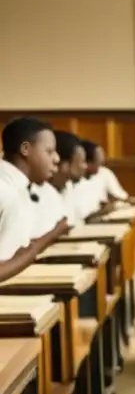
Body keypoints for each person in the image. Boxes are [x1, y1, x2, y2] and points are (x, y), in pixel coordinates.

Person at [0, 117, 67, 280]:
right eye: (49, 151)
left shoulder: (19, 188)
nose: (57, 158)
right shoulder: (8, 191)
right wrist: (32, 251)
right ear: (26, 149)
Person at [82, 140, 135, 210]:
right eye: (97, 164)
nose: (100, 167)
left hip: (102, 217)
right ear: (87, 163)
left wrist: (130, 201)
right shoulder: (72, 180)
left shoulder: (104, 173)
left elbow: (120, 196)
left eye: (101, 163)